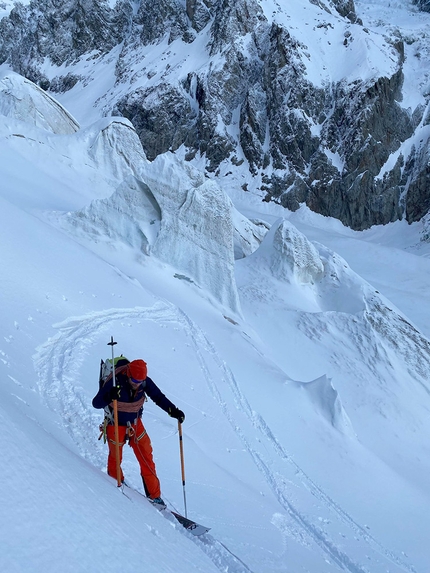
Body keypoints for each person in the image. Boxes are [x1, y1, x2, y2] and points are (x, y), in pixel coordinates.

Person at [92, 358, 185, 506]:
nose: (137, 384)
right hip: (115, 424)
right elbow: (96, 403)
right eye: (134, 381)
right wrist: (110, 396)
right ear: (128, 374)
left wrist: (173, 411)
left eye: (140, 381)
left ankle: (154, 496)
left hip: (135, 423)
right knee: (116, 457)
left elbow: (158, 397)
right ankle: (116, 484)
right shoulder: (115, 381)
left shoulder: (144, 381)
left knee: (146, 455)